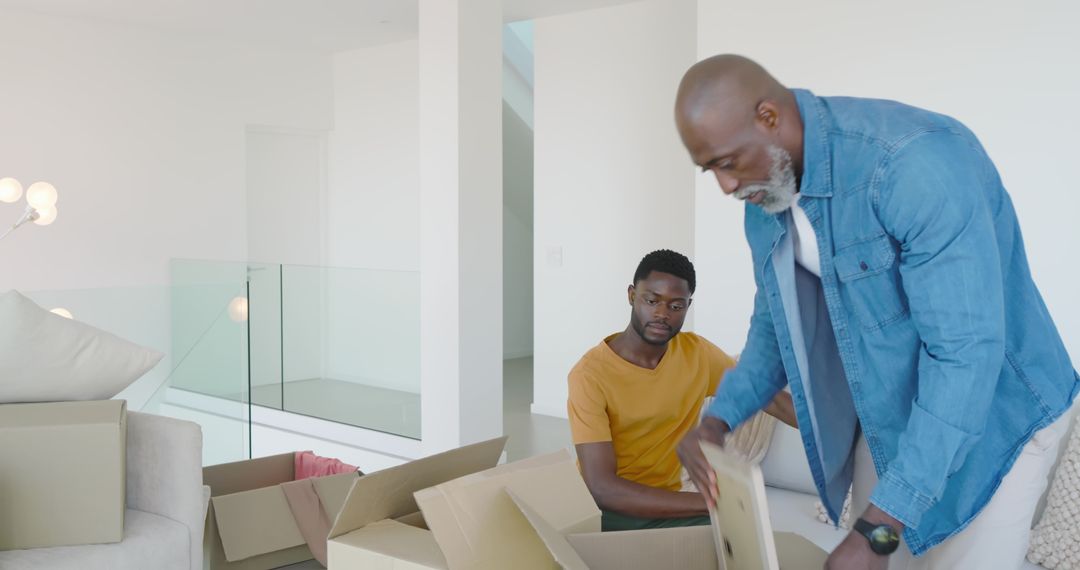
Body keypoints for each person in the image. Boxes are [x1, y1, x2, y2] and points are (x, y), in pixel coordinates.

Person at [673, 55, 1078, 569]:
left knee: (888, 544)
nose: (725, 187)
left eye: (728, 162)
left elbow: (966, 358)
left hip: (999, 413)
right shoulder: (764, 201)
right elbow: (775, 329)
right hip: (892, 412)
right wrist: (719, 419)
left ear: (769, 118)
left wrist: (878, 529)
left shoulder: (913, 165)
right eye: (710, 169)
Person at [568, 248, 797, 531]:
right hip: (606, 512)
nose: (662, 314)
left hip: (666, 502)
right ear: (631, 295)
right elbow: (603, 488)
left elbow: (767, 397)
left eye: (676, 306)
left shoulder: (696, 353)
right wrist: (715, 502)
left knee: (752, 533)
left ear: (688, 306)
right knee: (738, 519)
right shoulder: (589, 375)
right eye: (652, 300)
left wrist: (842, 430)